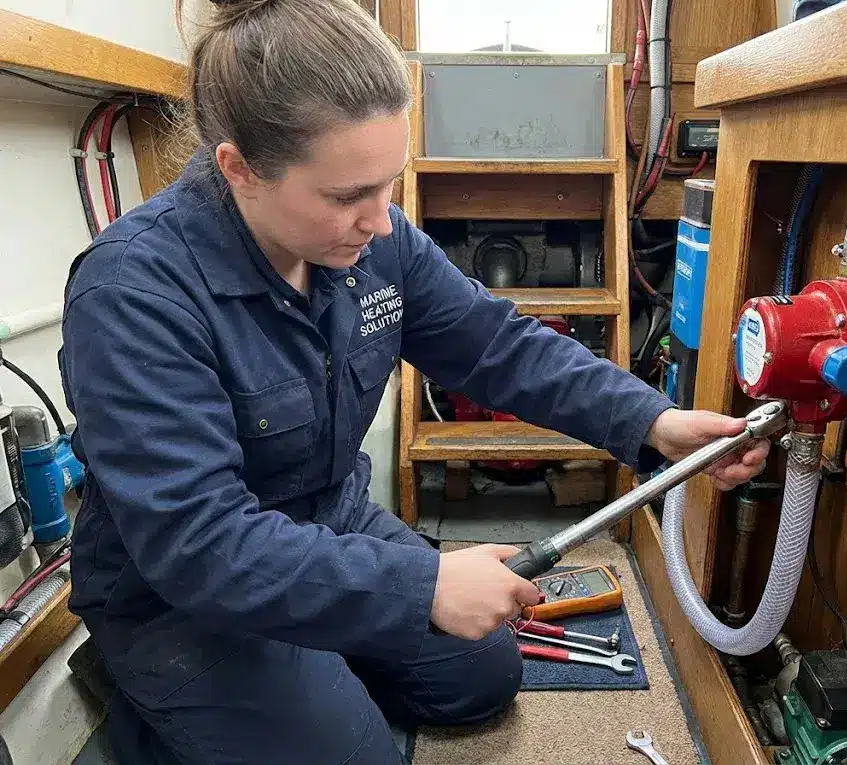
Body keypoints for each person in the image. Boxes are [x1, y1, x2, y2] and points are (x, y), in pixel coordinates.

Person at [57, 1, 770, 762]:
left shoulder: (373, 241)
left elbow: (499, 346)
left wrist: (652, 422)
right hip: (183, 596)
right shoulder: (134, 293)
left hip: (326, 521)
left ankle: (307, 674)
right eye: (346, 197)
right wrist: (418, 587)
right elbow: (200, 544)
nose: (383, 220)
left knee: (483, 672)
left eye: (388, 183)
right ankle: (155, 694)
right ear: (240, 169)